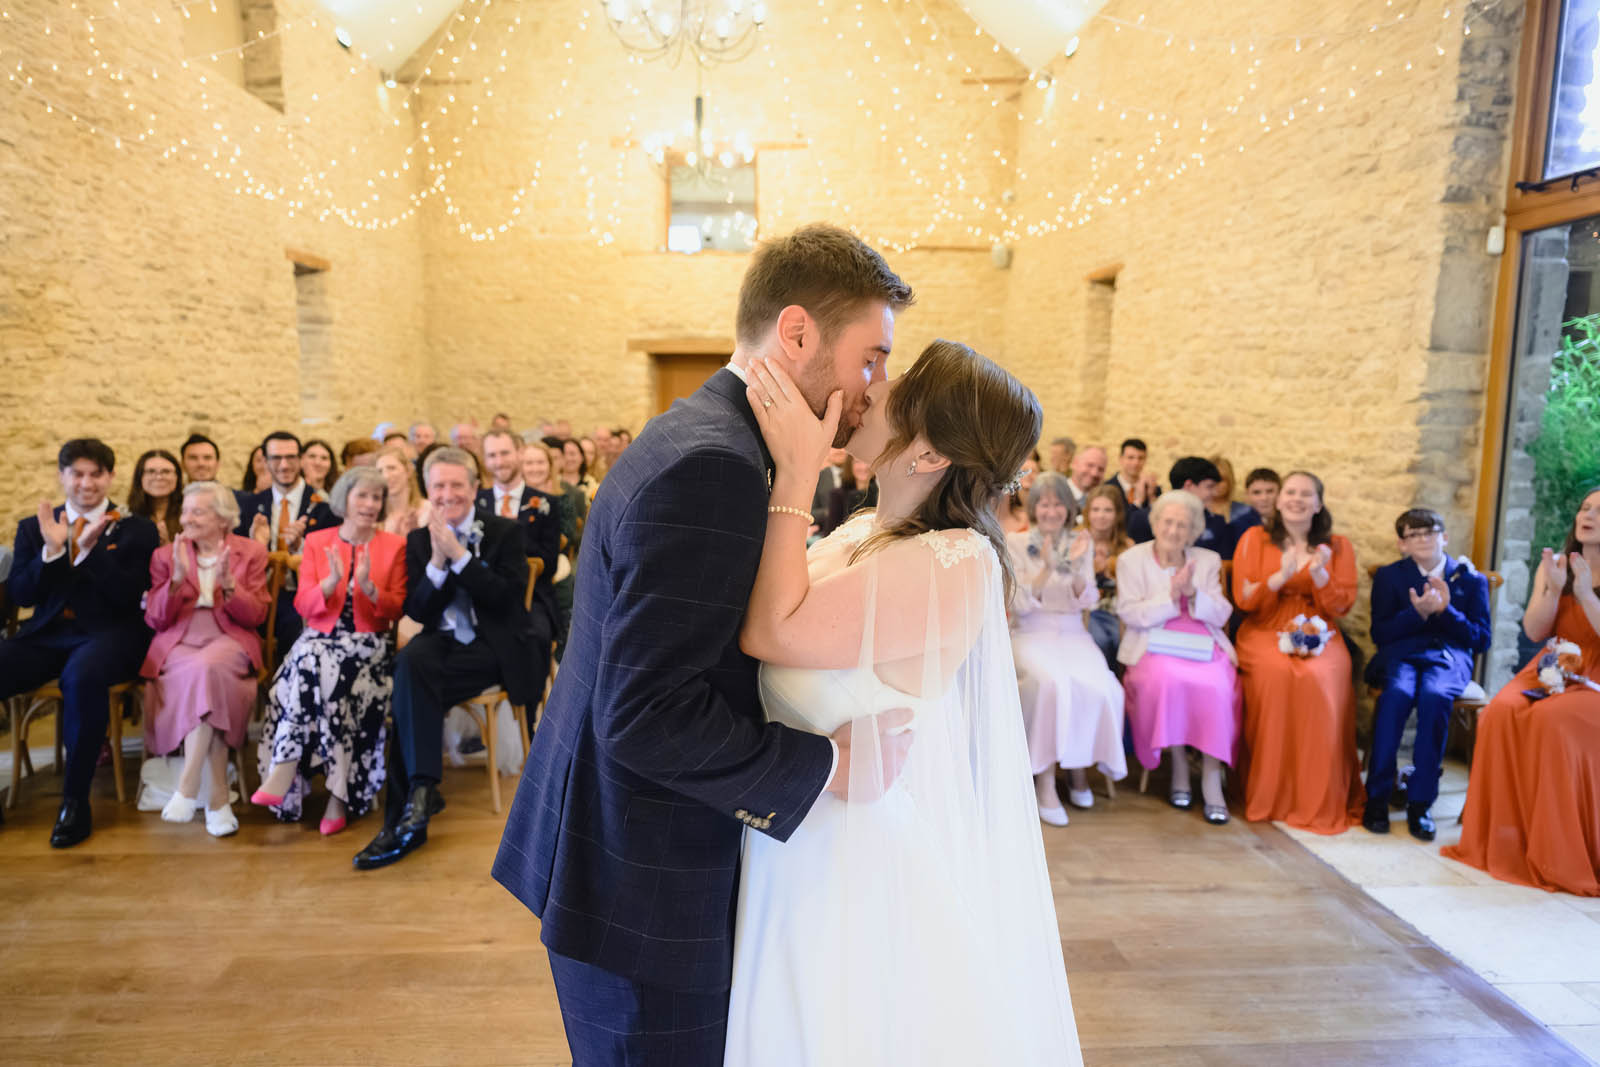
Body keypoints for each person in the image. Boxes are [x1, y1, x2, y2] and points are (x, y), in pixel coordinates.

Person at [494, 223, 934, 1063]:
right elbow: (648, 714)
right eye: (870, 356)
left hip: (622, 849)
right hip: (641, 882)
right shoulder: (718, 467)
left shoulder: (712, 433)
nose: (876, 384)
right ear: (798, 331)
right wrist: (834, 765)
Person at [731, 340, 1078, 1061]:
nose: (873, 384)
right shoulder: (865, 531)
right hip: (796, 838)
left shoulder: (955, 562)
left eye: (899, 385)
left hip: (844, 874)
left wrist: (797, 468)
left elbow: (770, 628)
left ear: (926, 455)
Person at [353, 447, 537, 870]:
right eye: (438, 485)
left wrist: (459, 555)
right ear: (428, 490)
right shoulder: (419, 540)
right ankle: (420, 795)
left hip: (493, 647)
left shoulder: (505, 531)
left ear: (475, 487)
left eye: (457, 484)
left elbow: (506, 600)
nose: (447, 494)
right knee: (412, 665)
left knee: (410, 691)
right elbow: (417, 612)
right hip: (443, 643)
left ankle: (402, 820)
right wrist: (436, 562)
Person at [0, 439, 158, 848]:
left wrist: (91, 553)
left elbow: (131, 595)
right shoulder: (33, 527)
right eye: (77, 474)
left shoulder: (136, 528)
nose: (86, 483)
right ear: (62, 476)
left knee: (81, 676)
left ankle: (75, 802)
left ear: (110, 477)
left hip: (111, 635)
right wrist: (51, 553)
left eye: (96, 474)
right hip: (47, 635)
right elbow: (21, 596)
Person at [1443, 488, 1600, 895]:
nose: (1589, 515)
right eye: (1585, 507)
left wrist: (1585, 594)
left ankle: (1558, 851)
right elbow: (1534, 631)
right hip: (1552, 665)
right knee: (1498, 712)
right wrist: (1553, 588)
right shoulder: (1557, 565)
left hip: (1596, 678)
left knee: (1552, 720)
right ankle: (1508, 840)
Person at [254, 468, 407, 835]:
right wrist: (330, 583)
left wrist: (370, 589)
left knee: (311, 665)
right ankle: (337, 796)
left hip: (368, 646)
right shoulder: (316, 541)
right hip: (320, 638)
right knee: (314, 663)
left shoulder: (395, 545)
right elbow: (305, 609)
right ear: (345, 499)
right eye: (362, 496)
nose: (370, 505)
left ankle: (285, 770)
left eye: (376, 498)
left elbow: (397, 608)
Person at [1231, 471, 1362, 833]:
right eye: (1291, 492)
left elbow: (1341, 606)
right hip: (1266, 625)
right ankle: (1269, 793)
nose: (1297, 499)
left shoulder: (1338, 546)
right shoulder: (1254, 539)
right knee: (1277, 673)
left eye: (1307, 494)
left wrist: (1320, 577)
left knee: (1321, 677)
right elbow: (1245, 600)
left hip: (1320, 627)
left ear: (1318, 503)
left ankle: (1313, 797)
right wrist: (1281, 575)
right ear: (1278, 500)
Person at [140, 482, 269, 838]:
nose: (187, 518)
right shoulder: (166, 555)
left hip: (230, 637)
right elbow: (155, 619)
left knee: (208, 668)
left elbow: (256, 615)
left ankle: (187, 783)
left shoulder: (252, 552)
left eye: (198, 511)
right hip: (178, 640)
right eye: (185, 511)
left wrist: (230, 587)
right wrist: (177, 580)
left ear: (223, 518)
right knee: (204, 678)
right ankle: (216, 800)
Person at [1007, 472, 1127, 826]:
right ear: (1034, 507)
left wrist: (1074, 567)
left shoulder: (1081, 542)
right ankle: (1045, 779)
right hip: (1030, 632)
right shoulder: (1015, 543)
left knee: (1103, 685)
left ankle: (1077, 768)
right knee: (1051, 684)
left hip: (1073, 633)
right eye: (1044, 503)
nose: (1051, 510)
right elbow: (1019, 603)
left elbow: (1088, 597)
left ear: (1069, 508)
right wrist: (1046, 567)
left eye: (1058, 503)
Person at [1364, 508, 1491, 840]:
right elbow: (1380, 633)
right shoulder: (1390, 577)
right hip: (1402, 655)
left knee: (1435, 697)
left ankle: (1420, 803)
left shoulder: (1471, 579)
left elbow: (1481, 638)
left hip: (1448, 658)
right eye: (1413, 534)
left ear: (1445, 537)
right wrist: (1416, 614)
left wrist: (1446, 612)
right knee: (1397, 695)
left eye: (1430, 532)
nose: (1422, 539)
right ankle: (1376, 797)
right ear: (1402, 544)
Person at [1116, 490, 1240, 824]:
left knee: (1216, 686)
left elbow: (1221, 613)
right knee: (1168, 681)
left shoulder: (1208, 560)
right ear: (1155, 523)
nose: (1173, 530)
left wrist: (1193, 593)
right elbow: (1128, 613)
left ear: (1194, 530)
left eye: (1182, 525)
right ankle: (1180, 768)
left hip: (1202, 641)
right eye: (1167, 522)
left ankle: (1212, 777)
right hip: (1152, 643)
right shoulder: (1132, 560)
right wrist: (1171, 597)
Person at [237, 431, 337, 656]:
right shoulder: (249, 506)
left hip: (301, 595)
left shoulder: (325, 508)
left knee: (295, 632)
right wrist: (255, 547)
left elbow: (332, 562)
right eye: (276, 458)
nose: (284, 465)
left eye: (291, 457)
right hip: (258, 593)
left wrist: (300, 550)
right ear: (265, 461)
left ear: (301, 459)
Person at [1129, 456, 1236, 558]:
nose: (1213, 493)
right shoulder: (1144, 519)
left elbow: (1223, 566)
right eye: (1209, 487)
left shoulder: (1216, 522)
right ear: (1188, 485)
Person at [1083, 483, 1132, 669]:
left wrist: (1115, 572)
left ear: (1117, 514)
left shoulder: (1127, 546)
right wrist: (1093, 571)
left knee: (1122, 640)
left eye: (1107, 510)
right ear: (1087, 512)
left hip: (1117, 611)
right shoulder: (1078, 542)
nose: (1101, 516)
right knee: (1100, 640)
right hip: (1088, 611)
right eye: (1095, 509)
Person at [128, 448, 183, 545]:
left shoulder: (189, 516)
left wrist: (167, 547)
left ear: (177, 477)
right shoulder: (126, 517)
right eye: (151, 471)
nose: (159, 477)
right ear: (140, 477)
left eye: (166, 471)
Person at [374, 445, 430, 536]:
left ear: (408, 471)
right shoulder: (375, 517)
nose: (386, 476)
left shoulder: (428, 511)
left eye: (392, 468)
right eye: (380, 471)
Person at [826, 457, 879, 533]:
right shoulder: (837, 495)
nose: (864, 467)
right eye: (858, 462)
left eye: (867, 461)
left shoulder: (881, 494)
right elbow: (830, 532)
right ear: (849, 465)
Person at [1106, 437, 1160, 511]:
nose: (1136, 463)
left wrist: (1151, 497)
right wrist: (1138, 501)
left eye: (1140, 458)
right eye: (1130, 457)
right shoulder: (1107, 488)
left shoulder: (1152, 488)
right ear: (1121, 459)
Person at [1232, 467, 1280, 544]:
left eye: (1270, 491)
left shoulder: (1292, 522)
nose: (1264, 498)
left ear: (1280, 492)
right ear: (1247, 496)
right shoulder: (1238, 527)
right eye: (1256, 492)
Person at [1205, 456, 1254, 527]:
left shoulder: (1245, 512)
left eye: (1221, 479)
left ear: (1229, 481)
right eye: (1212, 478)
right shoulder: (1194, 511)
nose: (1216, 483)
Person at [1064, 445, 1106, 511]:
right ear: (1074, 463)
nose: (1094, 473)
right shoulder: (1056, 494)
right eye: (1090, 465)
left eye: (1100, 469)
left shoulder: (1104, 503)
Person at [558, 438, 598, 505]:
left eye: (572, 454)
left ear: (582, 457)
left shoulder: (593, 486)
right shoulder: (553, 483)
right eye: (564, 454)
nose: (568, 458)